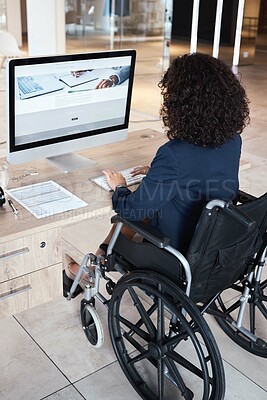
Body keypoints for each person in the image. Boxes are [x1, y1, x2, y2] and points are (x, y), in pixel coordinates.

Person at [65, 52, 250, 285]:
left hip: (177, 255)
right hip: (217, 247)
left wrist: (119, 187)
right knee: (150, 196)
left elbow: (131, 210)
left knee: (135, 211)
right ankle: (96, 262)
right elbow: (202, 172)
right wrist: (158, 173)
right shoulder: (234, 139)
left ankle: (94, 266)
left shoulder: (174, 154)